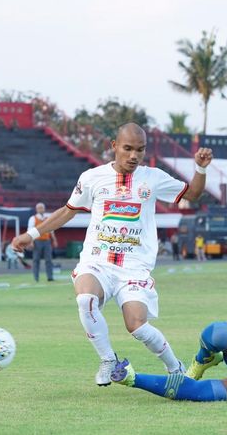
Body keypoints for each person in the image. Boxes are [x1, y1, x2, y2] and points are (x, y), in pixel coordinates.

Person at [12, 123, 213, 385]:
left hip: (134, 267)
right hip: (97, 261)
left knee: (137, 326)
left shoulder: (153, 178)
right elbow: (67, 210)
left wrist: (200, 168)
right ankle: (108, 360)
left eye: (139, 150)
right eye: (127, 148)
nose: (133, 156)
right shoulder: (92, 178)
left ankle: (175, 368)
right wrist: (31, 235)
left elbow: (194, 194)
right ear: (113, 146)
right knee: (85, 299)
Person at [27, 203, 57, 282]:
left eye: (42, 208)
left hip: (47, 241)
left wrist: (54, 240)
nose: (41, 209)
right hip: (37, 240)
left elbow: (51, 230)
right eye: (39, 208)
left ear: (44, 209)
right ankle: (36, 278)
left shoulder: (47, 218)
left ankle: (50, 277)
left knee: (49, 260)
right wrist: (31, 242)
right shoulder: (33, 218)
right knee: (36, 260)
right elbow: (30, 231)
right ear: (36, 209)